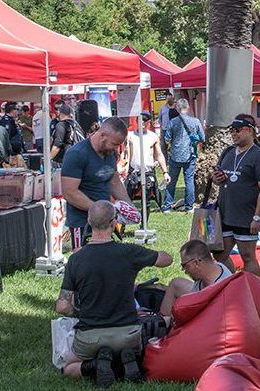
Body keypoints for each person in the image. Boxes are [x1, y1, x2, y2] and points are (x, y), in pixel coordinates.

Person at [56, 201, 172, 386]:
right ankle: (123, 361)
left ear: (88, 221)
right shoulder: (129, 252)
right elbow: (166, 260)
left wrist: (77, 313)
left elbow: (62, 306)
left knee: (67, 367)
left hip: (90, 335)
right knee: (135, 347)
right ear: (114, 222)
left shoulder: (76, 259)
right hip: (129, 333)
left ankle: (94, 366)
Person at [210, 114, 260, 276]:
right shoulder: (228, 151)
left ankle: (254, 291)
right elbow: (218, 179)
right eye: (231, 130)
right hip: (225, 213)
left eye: (237, 130)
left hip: (246, 216)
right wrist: (217, 179)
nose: (233, 133)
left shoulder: (258, 155)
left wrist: (258, 217)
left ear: (250, 131)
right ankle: (231, 284)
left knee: (248, 257)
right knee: (219, 255)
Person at [61, 118, 135, 250]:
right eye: (114, 144)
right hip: (81, 221)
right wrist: (100, 210)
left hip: (105, 221)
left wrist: (129, 205)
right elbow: (69, 193)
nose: (116, 148)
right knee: (83, 264)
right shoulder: (76, 154)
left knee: (105, 259)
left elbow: (114, 180)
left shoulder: (110, 153)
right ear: (102, 136)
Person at [160, 239, 231, 319]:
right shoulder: (211, 270)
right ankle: (162, 321)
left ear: (196, 263)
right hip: (200, 299)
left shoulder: (222, 288)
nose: (184, 270)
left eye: (184, 266)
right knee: (175, 284)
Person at [161, 99, 205, 211]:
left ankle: (167, 206)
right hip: (190, 155)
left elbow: (167, 139)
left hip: (175, 155)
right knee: (189, 181)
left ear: (177, 108)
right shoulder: (195, 121)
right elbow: (202, 138)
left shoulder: (173, 122)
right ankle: (189, 206)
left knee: (171, 181)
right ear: (188, 107)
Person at [124, 111, 168, 206]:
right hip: (134, 171)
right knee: (127, 198)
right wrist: (125, 170)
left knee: (147, 200)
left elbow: (159, 154)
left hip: (148, 171)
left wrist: (165, 172)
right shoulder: (130, 135)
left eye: (145, 121)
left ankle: (147, 218)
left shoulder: (153, 136)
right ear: (136, 121)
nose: (142, 123)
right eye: (140, 120)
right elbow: (126, 154)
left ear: (149, 122)